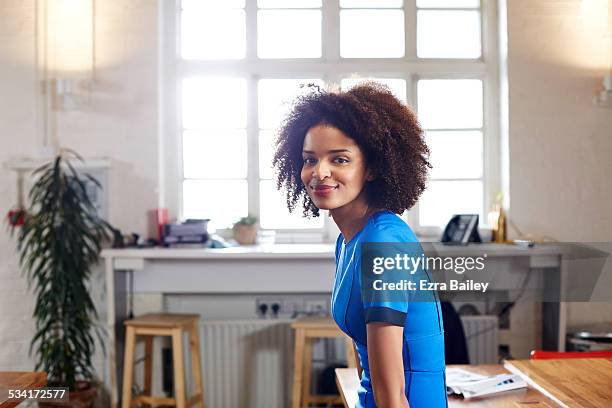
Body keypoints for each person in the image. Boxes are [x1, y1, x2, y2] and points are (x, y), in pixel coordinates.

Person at [273, 82, 448, 407]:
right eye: (310, 159)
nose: (319, 172)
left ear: (372, 168)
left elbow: (393, 395)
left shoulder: (383, 243)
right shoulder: (349, 240)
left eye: (339, 160)